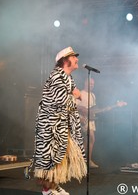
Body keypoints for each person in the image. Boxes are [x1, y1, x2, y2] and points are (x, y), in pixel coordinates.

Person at [33, 46, 87, 195]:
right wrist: (75, 97)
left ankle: (53, 186)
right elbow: (62, 101)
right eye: (73, 57)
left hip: (61, 125)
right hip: (51, 126)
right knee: (51, 158)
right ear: (65, 60)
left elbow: (76, 93)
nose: (77, 59)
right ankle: (47, 190)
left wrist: (75, 96)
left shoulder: (67, 78)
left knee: (60, 158)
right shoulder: (57, 76)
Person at [76, 77, 99, 168]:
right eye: (90, 83)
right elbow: (75, 106)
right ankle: (84, 161)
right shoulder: (80, 93)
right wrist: (81, 116)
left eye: (93, 84)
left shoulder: (93, 95)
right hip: (83, 120)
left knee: (89, 140)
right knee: (90, 139)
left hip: (90, 120)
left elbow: (93, 109)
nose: (92, 85)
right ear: (85, 83)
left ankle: (85, 161)